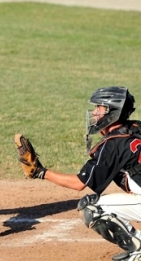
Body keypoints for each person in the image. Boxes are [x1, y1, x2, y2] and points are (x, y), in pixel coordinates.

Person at [25, 86, 141, 261]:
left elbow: (79, 183)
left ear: (112, 111)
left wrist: (41, 172)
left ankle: (138, 249)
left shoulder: (113, 144)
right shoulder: (136, 128)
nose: (94, 113)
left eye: (99, 108)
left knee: (91, 207)